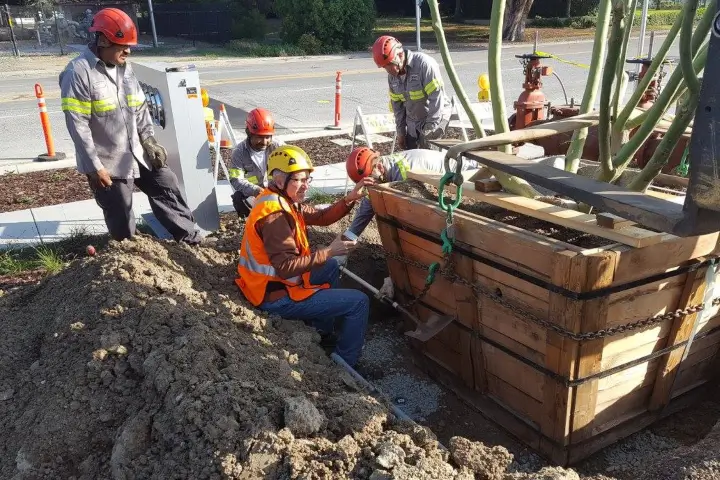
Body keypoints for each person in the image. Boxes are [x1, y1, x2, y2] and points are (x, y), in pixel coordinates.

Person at [59, 8, 204, 245]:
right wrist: (95, 167)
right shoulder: (77, 74)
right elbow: (78, 126)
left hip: (137, 151)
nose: (128, 51)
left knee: (165, 183)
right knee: (121, 216)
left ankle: (192, 240)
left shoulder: (125, 68)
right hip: (107, 161)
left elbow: (139, 107)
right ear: (103, 40)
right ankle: (130, 259)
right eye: (122, 45)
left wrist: (149, 140)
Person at [235, 145, 375, 367]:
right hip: (275, 296)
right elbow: (286, 267)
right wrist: (330, 250)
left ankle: (321, 331)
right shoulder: (275, 217)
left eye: (307, 179)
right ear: (280, 180)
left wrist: (349, 199)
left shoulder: (282, 199)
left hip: (278, 284)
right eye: (300, 180)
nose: (305, 186)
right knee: (358, 302)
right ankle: (346, 364)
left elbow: (321, 217)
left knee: (329, 266)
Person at [345, 147, 480, 237]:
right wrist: (350, 236)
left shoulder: (404, 176)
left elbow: (423, 213)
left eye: (369, 183)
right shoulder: (383, 170)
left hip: (470, 173)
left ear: (379, 167)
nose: (369, 188)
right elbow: (366, 209)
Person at [372, 35, 452, 150]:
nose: (388, 70)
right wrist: (400, 133)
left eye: (390, 65)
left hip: (436, 116)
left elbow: (436, 99)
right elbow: (397, 108)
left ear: (400, 55)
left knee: (428, 155)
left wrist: (430, 129)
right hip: (414, 120)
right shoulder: (392, 77)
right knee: (411, 155)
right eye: (385, 67)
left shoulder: (424, 64)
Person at [228, 108, 284, 218]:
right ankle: (251, 221)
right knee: (238, 198)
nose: (264, 142)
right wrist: (255, 190)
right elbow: (236, 179)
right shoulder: (239, 152)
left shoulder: (279, 147)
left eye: (267, 137)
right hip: (254, 192)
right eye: (259, 137)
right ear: (249, 133)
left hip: (276, 189)